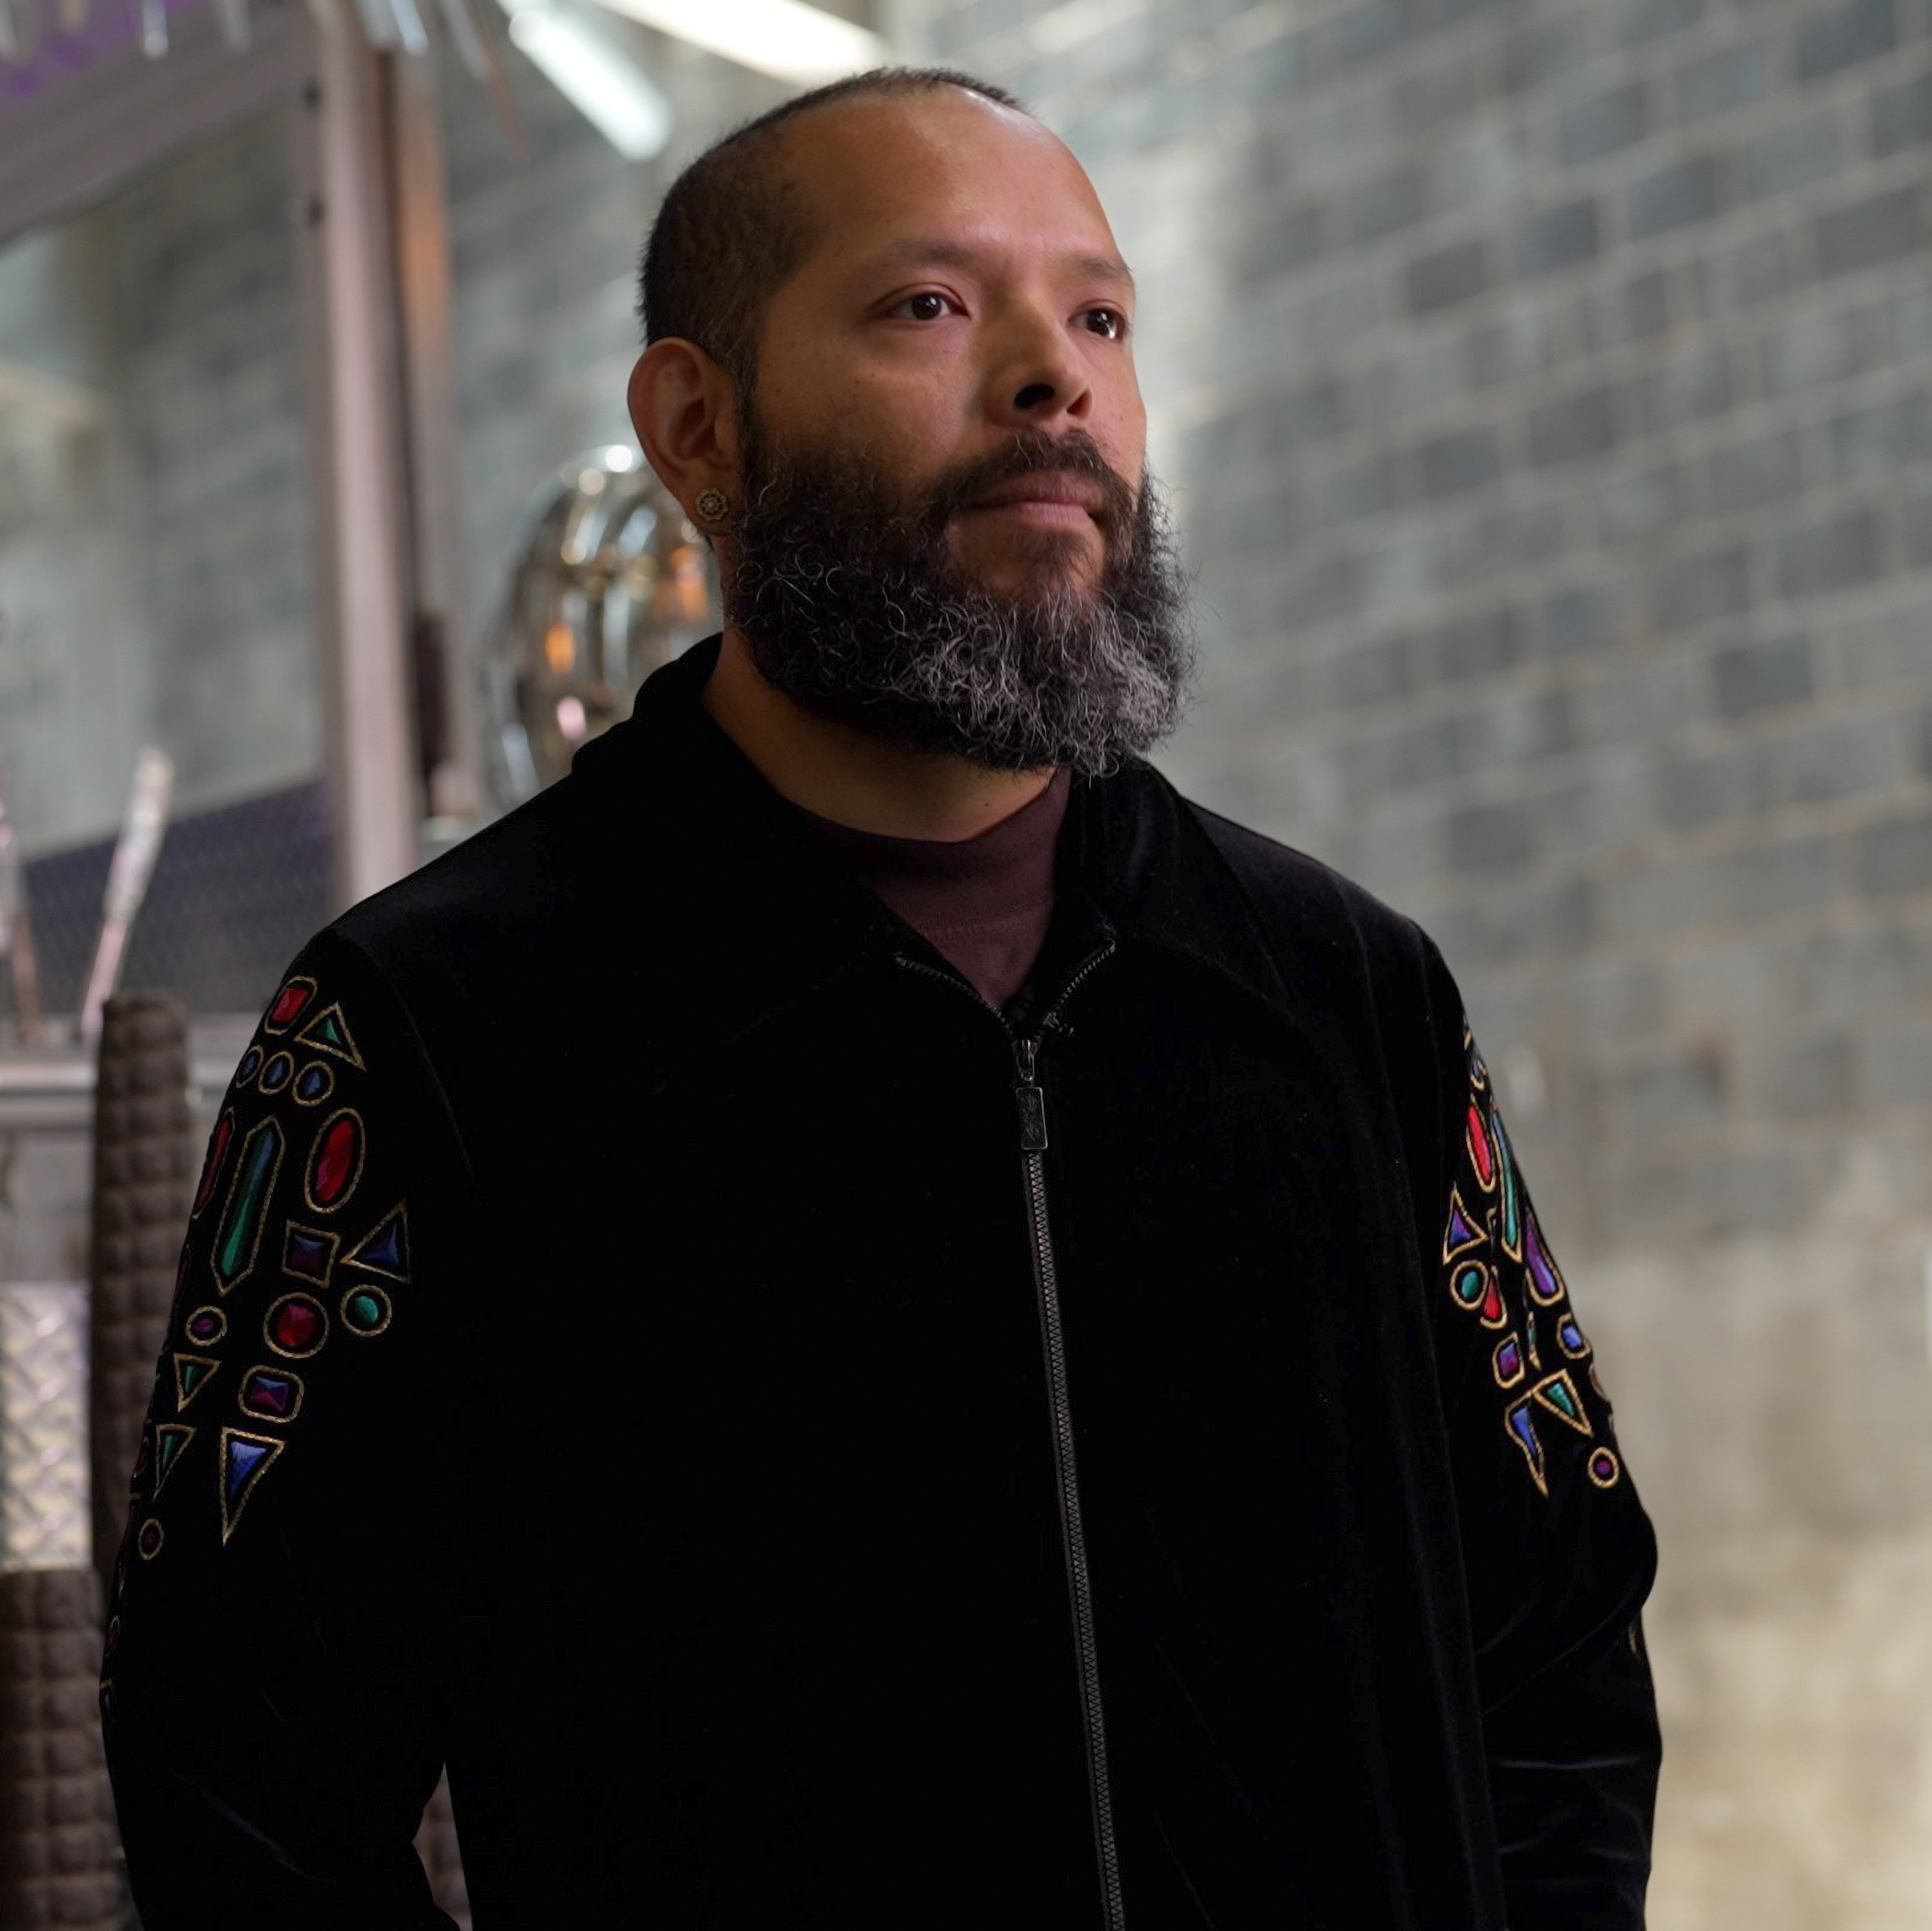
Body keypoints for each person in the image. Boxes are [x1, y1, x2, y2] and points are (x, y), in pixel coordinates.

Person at [101, 67, 1660, 1930]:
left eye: (1097, 315)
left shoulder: (1347, 998)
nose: (1050, 377)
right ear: (700, 427)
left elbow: (1561, 1647)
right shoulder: (419, 1030)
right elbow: (236, 1773)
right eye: (929, 306)